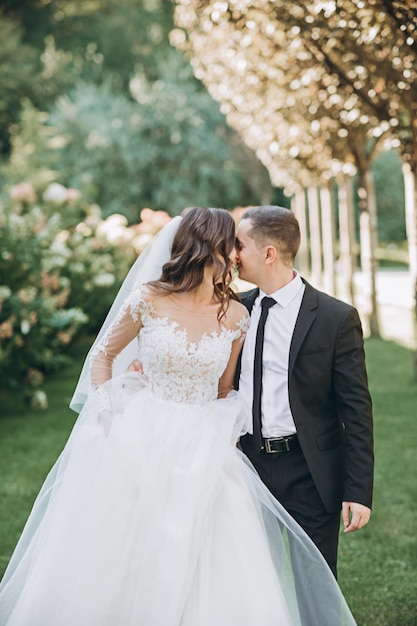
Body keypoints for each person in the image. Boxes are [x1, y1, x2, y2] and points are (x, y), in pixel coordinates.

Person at [0, 207, 358, 625]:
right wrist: (108, 409)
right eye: (233, 245)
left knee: (208, 553)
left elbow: (225, 389)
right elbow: (103, 355)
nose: (237, 255)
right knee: (127, 547)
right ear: (213, 250)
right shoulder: (150, 298)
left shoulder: (236, 314)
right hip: (140, 433)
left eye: (240, 246)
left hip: (204, 444)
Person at [235, 205, 374, 579]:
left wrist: (358, 489)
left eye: (239, 244)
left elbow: (356, 410)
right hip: (245, 467)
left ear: (269, 253)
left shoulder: (335, 318)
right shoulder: (234, 311)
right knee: (252, 582)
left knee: (315, 584)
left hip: (309, 472)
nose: (231, 254)